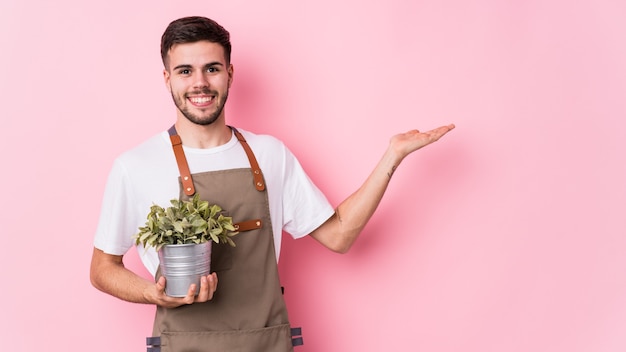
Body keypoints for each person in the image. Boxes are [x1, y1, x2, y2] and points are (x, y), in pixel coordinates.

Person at [90, 16, 455, 352]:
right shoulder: (135, 166)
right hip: (183, 343)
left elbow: (340, 235)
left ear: (230, 74)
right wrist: (155, 294)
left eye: (212, 69)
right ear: (168, 79)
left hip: (266, 342)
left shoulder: (270, 154)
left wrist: (393, 155)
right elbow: (102, 268)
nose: (200, 83)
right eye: (185, 71)